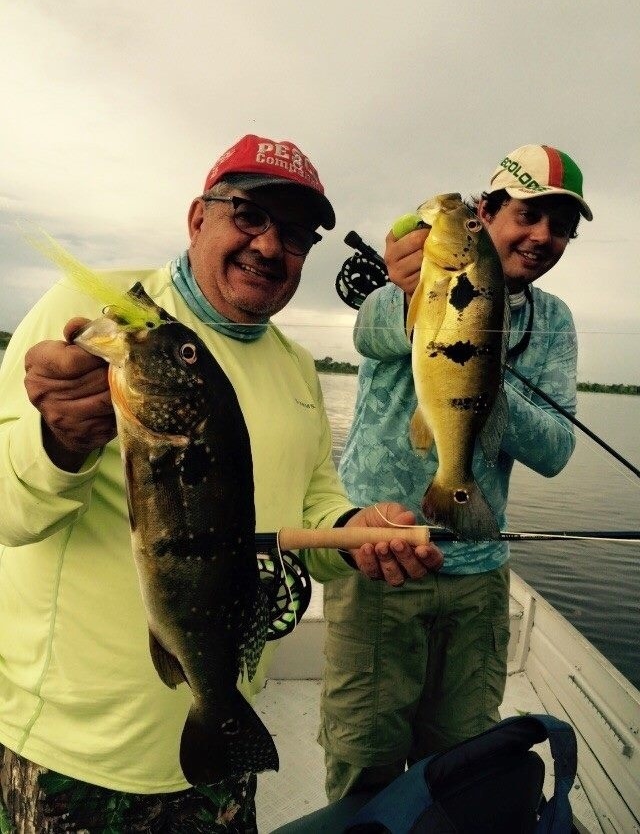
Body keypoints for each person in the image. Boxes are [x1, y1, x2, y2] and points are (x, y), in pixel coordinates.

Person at [0, 134, 443, 833]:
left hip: (224, 726)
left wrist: (358, 528)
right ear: (197, 217)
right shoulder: (95, 309)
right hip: (81, 753)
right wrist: (59, 439)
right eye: (249, 215)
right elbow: (8, 514)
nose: (270, 247)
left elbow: (312, 508)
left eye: (295, 235)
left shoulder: (295, 365)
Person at [306, 144, 593, 802]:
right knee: (365, 764)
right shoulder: (411, 287)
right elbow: (369, 332)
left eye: (562, 225)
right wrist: (416, 276)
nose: (544, 235)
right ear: (487, 211)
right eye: (529, 214)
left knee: (463, 767)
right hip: (378, 560)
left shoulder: (553, 324)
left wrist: (482, 374)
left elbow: (554, 450)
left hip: (478, 573)